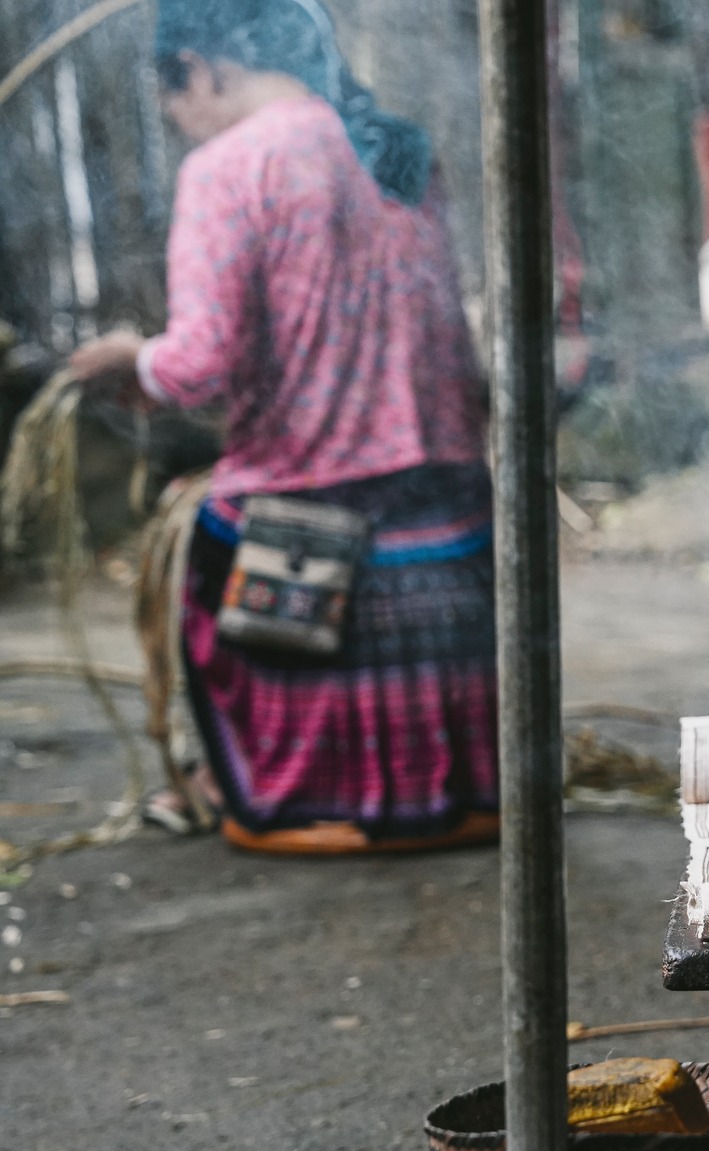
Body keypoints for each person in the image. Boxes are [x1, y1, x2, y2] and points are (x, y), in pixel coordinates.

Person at [67, 0, 497, 853]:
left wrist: (130, 358)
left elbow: (200, 363)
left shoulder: (231, 166)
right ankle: (461, 786)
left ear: (203, 67)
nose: (186, 127)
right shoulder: (397, 148)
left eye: (178, 102)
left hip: (312, 517)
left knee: (201, 532)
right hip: (451, 504)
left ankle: (285, 791)